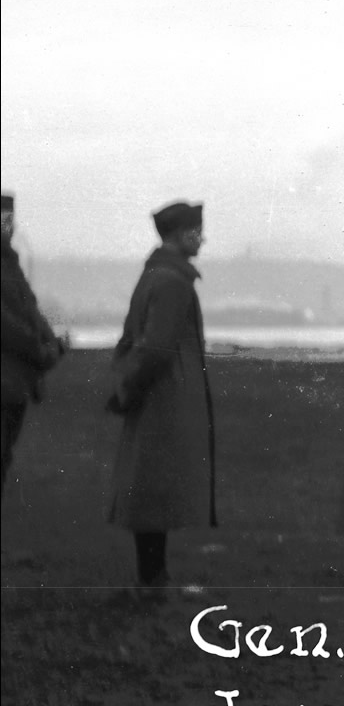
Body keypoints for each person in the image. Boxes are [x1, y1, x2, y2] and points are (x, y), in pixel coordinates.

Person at [105, 201, 216, 590]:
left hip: (150, 394)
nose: (203, 238)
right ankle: (153, 579)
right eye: (198, 230)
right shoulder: (172, 281)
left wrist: (123, 387)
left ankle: (154, 576)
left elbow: (131, 341)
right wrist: (131, 387)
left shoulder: (155, 274)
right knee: (154, 490)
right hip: (162, 397)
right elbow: (155, 348)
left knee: (150, 487)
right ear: (182, 233)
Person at [3, 193, 67, 479]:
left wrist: (52, 341)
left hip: (14, 384)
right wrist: (43, 350)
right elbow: (8, 326)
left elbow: (29, 309)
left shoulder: (10, 262)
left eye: (9, 220)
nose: (7, 228)